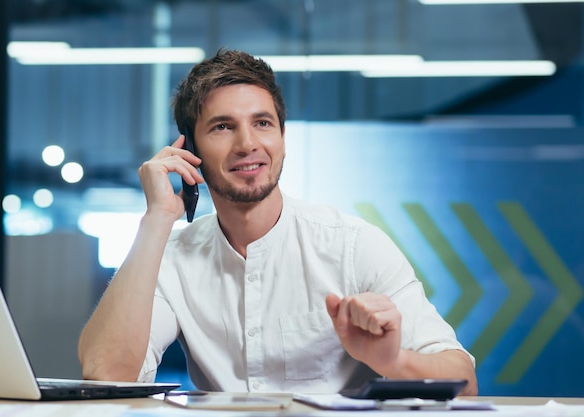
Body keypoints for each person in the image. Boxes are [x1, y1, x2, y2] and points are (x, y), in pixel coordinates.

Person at [78, 49, 478, 395]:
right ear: (190, 149)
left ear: (283, 137)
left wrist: (393, 361)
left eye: (263, 123)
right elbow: (107, 375)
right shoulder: (172, 257)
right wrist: (156, 219)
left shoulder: (354, 246)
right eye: (223, 126)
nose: (248, 143)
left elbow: (464, 384)